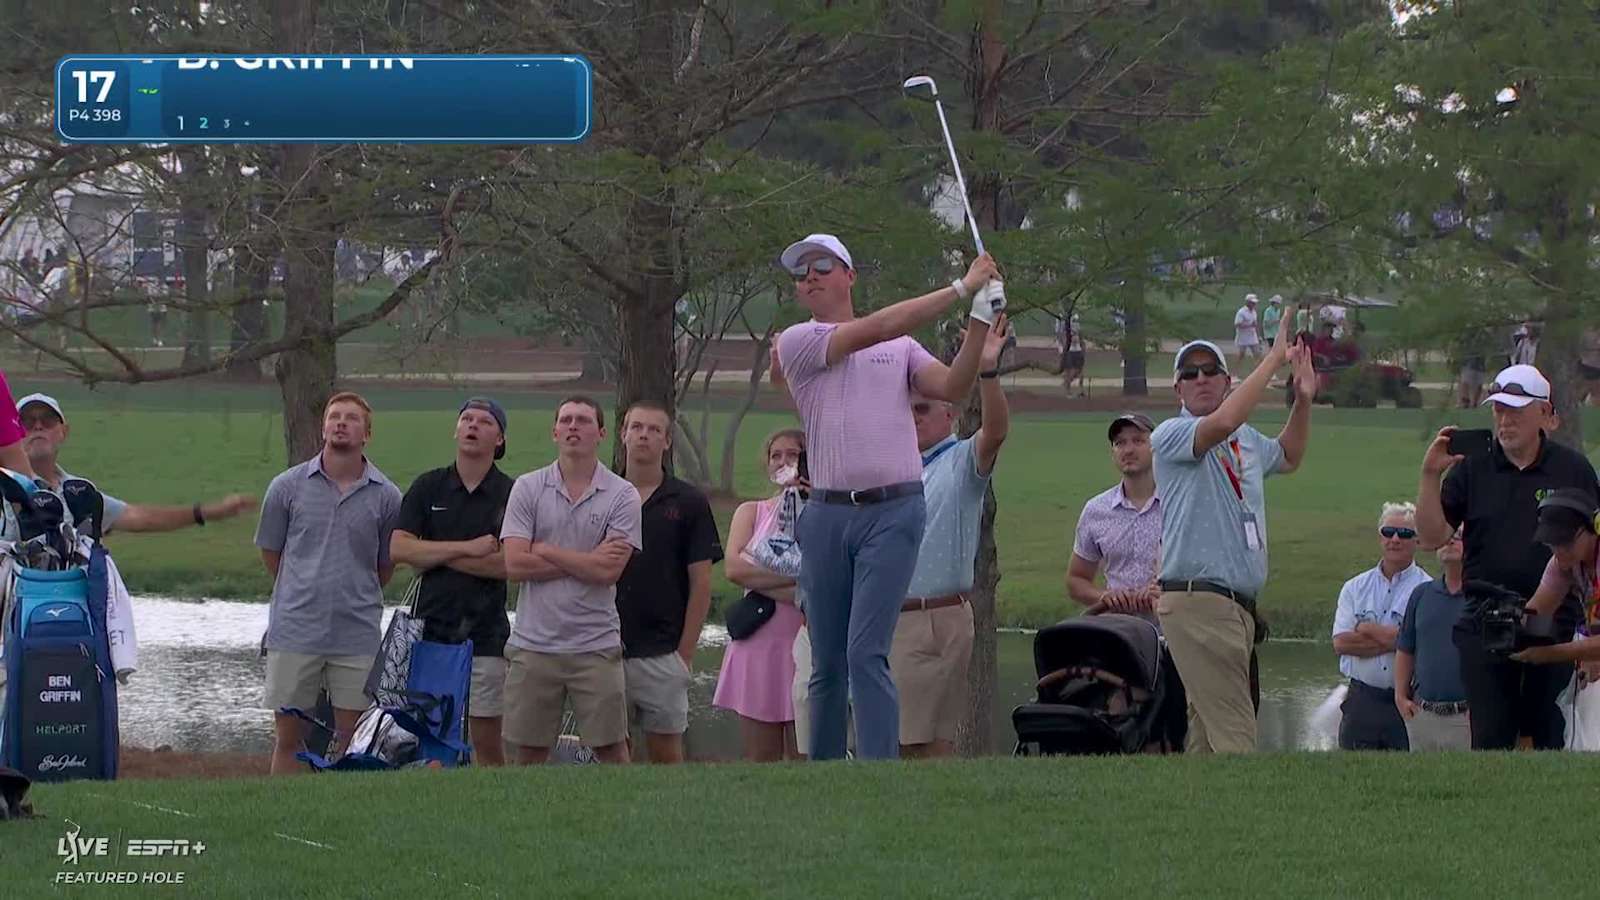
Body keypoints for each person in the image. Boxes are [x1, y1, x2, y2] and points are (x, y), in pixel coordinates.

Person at [771, 232, 999, 761]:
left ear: (850, 275)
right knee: (827, 660)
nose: (809, 276)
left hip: (894, 511)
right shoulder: (799, 342)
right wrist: (960, 287)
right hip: (827, 514)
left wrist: (979, 323)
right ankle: (825, 771)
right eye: (801, 272)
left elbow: (952, 387)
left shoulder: (900, 351)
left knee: (866, 650)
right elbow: (875, 327)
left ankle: (878, 774)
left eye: (821, 265)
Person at [1151, 309, 1314, 753]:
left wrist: (1302, 400)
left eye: (1210, 371)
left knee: (1207, 734)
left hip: (1236, 606)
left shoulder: (1245, 440)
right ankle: (1251, 818)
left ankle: (1202, 819)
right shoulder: (1171, 434)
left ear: (1226, 381)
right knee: (1237, 734)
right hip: (1200, 599)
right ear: (1178, 388)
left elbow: (1290, 455)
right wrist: (1274, 357)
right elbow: (1220, 423)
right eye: (1190, 373)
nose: (1200, 378)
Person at [1415, 364, 1599, 750]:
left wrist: (1579, 643)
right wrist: (1430, 476)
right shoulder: (1473, 467)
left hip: (1559, 618)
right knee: (1491, 736)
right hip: (1484, 615)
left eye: (1516, 411)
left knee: (1548, 732)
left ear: (1545, 415)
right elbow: (1432, 537)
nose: (1505, 421)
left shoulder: (1573, 468)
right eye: (1499, 410)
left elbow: (1589, 551)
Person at [255, 392, 402, 775]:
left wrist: (351, 591)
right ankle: (284, 815)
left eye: (351, 418)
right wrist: (302, 588)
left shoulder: (387, 496)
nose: (341, 423)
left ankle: (341, 817)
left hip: (356, 632)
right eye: (334, 416)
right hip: (294, 630)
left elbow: (384, 566)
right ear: (323, 428)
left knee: (352, 740)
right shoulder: (286, 487)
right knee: (289, 739)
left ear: (366, 434)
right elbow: (272, 553)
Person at [890, 314, 1013, 759]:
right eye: (905, 410)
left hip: (938, 615)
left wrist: (988, 371)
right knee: (909, 742)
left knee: (923, 741)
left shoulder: (960, 463)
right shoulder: (891, 470)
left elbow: (996, 431)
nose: (912, 418)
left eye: (921, 409)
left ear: (949, 413)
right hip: (894, 615)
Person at [499, 397, 642, 765]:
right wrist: (587, 559)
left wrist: (545, 550)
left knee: (612, 750)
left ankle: (628, 818)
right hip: (534, 645)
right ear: (555, 432)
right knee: (527, 753)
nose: (573, 427)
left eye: (583, 420)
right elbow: (515, 564)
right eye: (566, 420)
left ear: (602, 433)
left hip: (595, 644)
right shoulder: (528, 488)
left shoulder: (623, 495)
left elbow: (609, 572)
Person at [389, 397, 515, 766]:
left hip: (487, 635)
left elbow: (509, 564)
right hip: (432, 631)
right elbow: (400, 548)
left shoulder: (513, 493)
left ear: (500, 439)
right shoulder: (429, 486)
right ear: (456, 430)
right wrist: (471, 549)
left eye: (485, 422)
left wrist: (435, 554)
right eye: (467, 419)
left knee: (487, 739)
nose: (474, 426)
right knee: (432, 740)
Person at [615, 402, 723, 764]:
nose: (644, 435)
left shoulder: (689, 501)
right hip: (601, 650)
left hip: (663, 652)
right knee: (610, 754)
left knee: (666, 756)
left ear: (667, 441)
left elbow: (702, 584)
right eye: (637, 427)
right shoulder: (602, 495)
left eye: (654, 430)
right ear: (623, 434)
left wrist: (685, 655)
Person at [8, 393, 255, 539]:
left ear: (64, 432)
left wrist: (207, 513)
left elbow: (140, 518)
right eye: (27, 422)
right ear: (12, 433)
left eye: (48, 420)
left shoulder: (79, 494)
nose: (38, 427)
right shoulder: (4, 488)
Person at [718, 429, 808, 762]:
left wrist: (801, 584)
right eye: (776, 455)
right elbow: (734, 568)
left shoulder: (824, 512)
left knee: (806, 755)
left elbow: (824, 579)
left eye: (793, 454)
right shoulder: (751, 512)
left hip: (805, 643)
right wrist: (798, 587)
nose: (784, 461)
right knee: (762, 760)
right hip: (758, 646)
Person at [1331, 502, 1431, 751]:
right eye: (1388, 532)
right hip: (1360, 700)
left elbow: (1422, 644)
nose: (1395, 539)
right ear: (1380, 537)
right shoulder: (1354, 588)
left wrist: (1367, 629)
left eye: (1405, 534)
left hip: (1406, 702)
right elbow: (1341, 643)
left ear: (1417, 540)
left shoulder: (1427, 589)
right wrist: (1399, 642)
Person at [1068, 412, 1162, 622]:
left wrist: (1164, 591)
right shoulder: (1096, 510)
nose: (1128, 450)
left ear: (1156, 447)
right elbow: (1076, 580)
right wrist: (1106, 597)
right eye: (1120, 443)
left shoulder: (1178, 505)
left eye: (1138, 441)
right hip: (1117, 632)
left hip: (1172, 630)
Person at [1395, 528, 1472, 751]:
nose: (1451, 542)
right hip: (1422, 715)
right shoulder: (1421, 594)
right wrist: (1400, 696)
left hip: (1467, 719)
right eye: (1446, 537)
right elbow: (1405, 648)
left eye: (1459, 536)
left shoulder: (1482, 597)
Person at [1512, 491, 1600, 680]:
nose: (1559, 552)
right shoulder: (1564, 564)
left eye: (1566, 543)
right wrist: (1511, 627)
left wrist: (1551, 654)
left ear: (1594, 526)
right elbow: (1537, 612)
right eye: (1552, 544)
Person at [1055, 310, 1085, 397]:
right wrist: (1064, 349)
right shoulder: (1065, 328)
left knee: (1081, 372)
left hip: (1078, 351)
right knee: (1071, 372)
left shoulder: (1078, 328)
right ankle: (1067, 389)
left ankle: (1081, 390)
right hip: (1070, 351)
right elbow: (1062, 337)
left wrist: (1083, 350)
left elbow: (1081, 339)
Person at [1233, 294, 1262, 369]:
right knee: (1241, 356)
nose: (1254, 304)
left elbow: (1255, 325)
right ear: (1247, 302)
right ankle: (1234, 374)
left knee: (1257, 354)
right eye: (1252, 302)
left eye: (1255, 303)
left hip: (1253, 337)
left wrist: (1259, 336)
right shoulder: (1241, 312)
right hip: (1243, 338)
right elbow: (1237, 324)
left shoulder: (1254, 312)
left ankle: (1257, 373)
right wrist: (1249, 325)